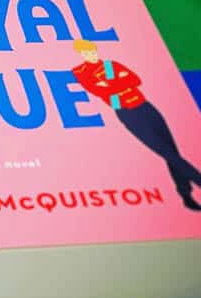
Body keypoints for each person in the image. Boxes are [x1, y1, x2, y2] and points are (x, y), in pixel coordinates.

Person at [71, 39, 201, 211]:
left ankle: (185, 194)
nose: (91, 55)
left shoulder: (110, 65)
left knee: (172, 151)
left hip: (145, 106)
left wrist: (112, 85)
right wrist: (118, 85)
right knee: (166, 152)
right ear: (81, 54)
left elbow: (134, 80)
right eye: (86, 52)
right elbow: (100, 91)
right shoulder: (81, 72)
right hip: (127, 112)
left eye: (92, 51)